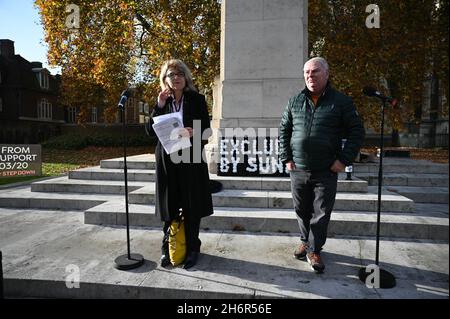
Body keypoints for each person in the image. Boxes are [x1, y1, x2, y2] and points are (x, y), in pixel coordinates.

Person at [279, 57, 365, 273]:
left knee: (321, 212)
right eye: (307, 72)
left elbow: (357, 131)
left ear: (326, 74)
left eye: (315, 72)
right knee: (301, 209)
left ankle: (315, 249)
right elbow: (284, 130)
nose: (310, 76)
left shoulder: (341, 102)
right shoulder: (295, 101)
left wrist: (343, 160)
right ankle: (305, 241)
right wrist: (286, 157)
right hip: (298, 168)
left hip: (326, 169)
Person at [145, 59, 213, 269]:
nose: (176, 78)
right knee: (170, 205)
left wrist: (194, 133)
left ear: (186, 78)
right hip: (168, 161)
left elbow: (207, 132)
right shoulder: (161, 103)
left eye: (179, 74)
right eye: (171, 75)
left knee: (192, 207)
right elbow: (149, 132)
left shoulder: (197, 99)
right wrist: (158, 106)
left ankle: (193, 249)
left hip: (191, 160)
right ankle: (168, 249)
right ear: (164, 79)